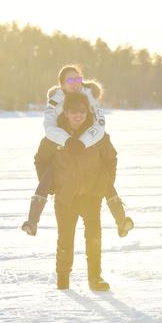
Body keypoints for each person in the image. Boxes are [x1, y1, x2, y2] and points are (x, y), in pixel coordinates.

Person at [22, 65, 133, 238]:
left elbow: (100, 125)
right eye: (70, 80)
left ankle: (121, 221)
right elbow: (49, 127)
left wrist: (82, 142)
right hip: (62, 146)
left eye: (78, 79)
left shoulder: (89, 96)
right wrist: (67, 140)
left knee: (102, 175)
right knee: (49, 174)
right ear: (62, 84)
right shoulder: (55, 100)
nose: (75, 83)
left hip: (87, 141)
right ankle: (32, 221)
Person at [33, 92, 117, 290]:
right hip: (65, 197)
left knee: (94, 237)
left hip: (91, 196)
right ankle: (63, 281)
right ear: (67, 113)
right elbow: (40, 160)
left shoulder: (97, 135)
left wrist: (104, 183)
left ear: (87, 112)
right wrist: (52, 186)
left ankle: (95, 279)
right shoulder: (55, 136)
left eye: (82, 111)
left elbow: (111, 159)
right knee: (65, 239)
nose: (78, 115)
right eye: (73, 111)